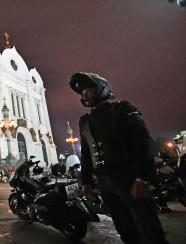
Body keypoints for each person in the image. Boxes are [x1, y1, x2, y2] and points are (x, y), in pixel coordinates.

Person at [69, 72, 168, 244]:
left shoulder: (122, 110)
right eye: (82, 92)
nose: (84, 95)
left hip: (129, 178)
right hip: (104, 183)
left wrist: (143, 178)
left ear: (101, 89)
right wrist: (85, 181)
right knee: (125, 230)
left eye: (88, 90)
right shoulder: (84, 121)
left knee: (149, 230)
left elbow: (143, 145)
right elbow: (86, 154)